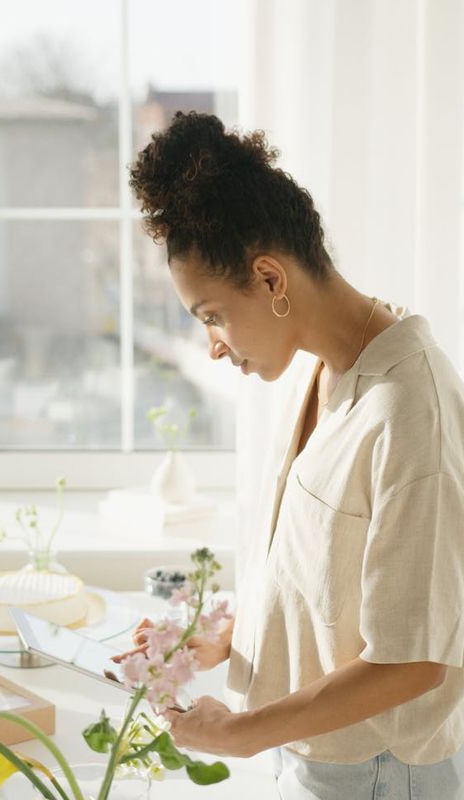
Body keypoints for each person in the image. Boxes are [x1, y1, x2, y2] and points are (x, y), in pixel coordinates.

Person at [115, 111, 464, 799]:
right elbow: (326, 584)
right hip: (321, 760)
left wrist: (240, 734)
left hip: (377, 776)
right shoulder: (323, 370)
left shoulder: (409, 409)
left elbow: (415, 661)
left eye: (211, 314)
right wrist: (219, 636)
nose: (214, 344)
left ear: (271, 280)